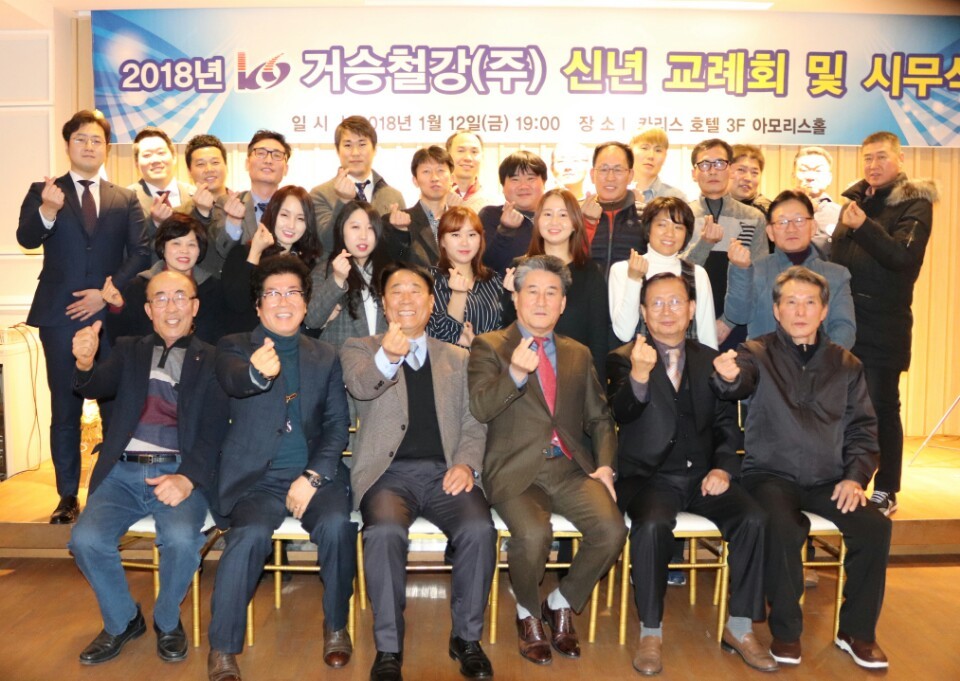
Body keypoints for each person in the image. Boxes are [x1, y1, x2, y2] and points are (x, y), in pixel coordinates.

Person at [712, 266, 892, 670]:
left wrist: (855, 477)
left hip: (829, 478)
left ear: (824, 310)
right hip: (770, 474)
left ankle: (856, 632)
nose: (800, 310)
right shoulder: (756, 353)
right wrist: (727, 377)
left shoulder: (846, 364)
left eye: (810, 302)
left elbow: (863, 429)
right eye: (790, 302)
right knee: (782, 525)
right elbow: (736, 383)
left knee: (875, 527)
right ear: (776, 310)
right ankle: (787, 632)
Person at [607, 273, 773, 675]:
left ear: (692, 309)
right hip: (650, 479)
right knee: (650, 525)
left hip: (702, 476)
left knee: (753, 518)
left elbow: (726, 426)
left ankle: (740, 627)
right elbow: (619, 413)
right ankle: (651, 632)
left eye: (676, 302)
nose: (667, 311)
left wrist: (723, 468)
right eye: (656, 303)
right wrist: (640, 375)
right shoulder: (622, 358)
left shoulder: (710, 359)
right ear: (643, 312)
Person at [340, 263, 497, 681]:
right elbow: (360, 387)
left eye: (416, 291)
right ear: (384, 303)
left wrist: (466, 463)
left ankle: (466, 639)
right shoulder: (361, 347)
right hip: (387, 476)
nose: (406, 298)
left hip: (446, 472)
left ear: (430, 304)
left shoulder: (457, 357)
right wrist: (389, 357)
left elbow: (474, 422)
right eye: (396, 291)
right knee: (384, 533)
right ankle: (389, 648)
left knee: (479, 529)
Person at [468, 255, 626, 666]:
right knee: (534, 535)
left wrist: (604, 466)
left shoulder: (578, 353)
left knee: (612, 529)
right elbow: (480, 408)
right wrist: (515, 375)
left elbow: (600, 417)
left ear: (563, 303)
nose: (541, 301)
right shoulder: (489, 346)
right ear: (516, 298)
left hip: (570, 468)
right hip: (516, 470)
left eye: (551, 293)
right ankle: (527, 612)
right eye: (532, 291)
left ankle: (560, 601)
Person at [207, 255, 356, 680]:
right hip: (258, 480)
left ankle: (336, 625)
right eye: (272, 293)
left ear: (306, 304)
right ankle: (223, 648)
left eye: (292, 292)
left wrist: (312, 477)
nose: (283, 301)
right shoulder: (234, 346)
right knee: (248, 536)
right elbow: (234, 379)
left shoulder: (325, 355)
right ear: (258, 306)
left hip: (314, 475)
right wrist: (257, 374)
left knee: (337, 526)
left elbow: (336, 426)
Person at [68, 270, 227, 665]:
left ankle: (167, 620)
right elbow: (97, 385)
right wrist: (85, 362)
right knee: (85, 539)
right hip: (121, 474)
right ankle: (122, 620)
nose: (171, 306)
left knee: (181, 540)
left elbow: (214, 431)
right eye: (161, 298)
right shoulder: (129, 349)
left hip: (178, 472)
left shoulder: (214, 359)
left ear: (195, 307)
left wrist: (188, 478)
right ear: (148, 309)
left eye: (180, 297)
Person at [16, 109, 149, 524]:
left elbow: (142, 251)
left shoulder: (124, 197)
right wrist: (48, 211)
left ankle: (110, 491)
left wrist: (106, 292)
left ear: (106, 148)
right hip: (59, 316)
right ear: (68, 145)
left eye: (97, 140)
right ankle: (67, 495)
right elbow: (26, 237)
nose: (89, 146)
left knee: (114, 406)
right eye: (81, 139)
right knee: (65, 406)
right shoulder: (44, 191)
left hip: (110, 317)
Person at [830, 131, 937, 516]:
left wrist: (864, 227)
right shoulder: (855, 201)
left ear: (900, 159)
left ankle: (888, 487)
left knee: (880, 406)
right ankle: (846, 480)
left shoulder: (915, 203)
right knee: (842, 406)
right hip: (843, 321)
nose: (873, 165)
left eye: (881, 157)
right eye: (867, 159)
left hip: (883, 324)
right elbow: (839, 259)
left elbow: (903, 258)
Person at [724, 189, 855, 348]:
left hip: (821, 361)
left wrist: (821, 359)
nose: (791, 229)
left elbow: (844, 328)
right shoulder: (755, 270)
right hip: (765, 361)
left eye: (799, 220)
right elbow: (738, 316)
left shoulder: (837, 275)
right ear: (770, 232)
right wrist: (740, 271)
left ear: (813, 226)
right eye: (782, 222)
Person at [502, 188, 609, 381]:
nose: (554, 222)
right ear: (537, 221)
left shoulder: (590, 272)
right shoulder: (519, 268)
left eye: (563, 215)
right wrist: (512, 298)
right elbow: (505, 332)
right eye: (547, 214)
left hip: (574, 377)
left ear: (575, 223)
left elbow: (599, 340)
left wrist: (598, 390)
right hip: (526, 377)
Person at [680, 138, 768, 349]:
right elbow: (676, 273)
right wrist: (704, 243)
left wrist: (728, 322)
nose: (712, 171)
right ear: (694, 173)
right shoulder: (681, 215)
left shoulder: (753, 217)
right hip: (687, 322)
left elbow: (760, 276)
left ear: (730, 169)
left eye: (720, 163)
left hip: (738, 326)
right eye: (704, 164)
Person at [609, 196, 717, 349]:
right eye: (662, 225)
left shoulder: (697, 274)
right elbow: (624, 333)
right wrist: (634, 280)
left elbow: (708, 337)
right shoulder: (622, 270)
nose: (670, 233)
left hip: (686, 362)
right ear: (648, 229)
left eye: (678, 227)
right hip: (638, 361)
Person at [101, 213, 226, 345]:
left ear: (199, 250)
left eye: (191, 245)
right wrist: (117, 308)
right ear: (162, 248)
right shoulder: (139, 287)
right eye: (176, 243)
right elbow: (121, 341)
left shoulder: (214, 289)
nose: (184, 250)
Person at [220, 185, 324, 332]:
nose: (291, 225)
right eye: (285, 215)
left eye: (300, 218)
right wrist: (255, 253)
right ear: (273, 214)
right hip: (247, 341)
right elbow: (237, 302)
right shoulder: (242, 253)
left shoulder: (309, 265)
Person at [201, 129, 291, 276]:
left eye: (277, 155)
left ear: (286, 169)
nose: (268, 160)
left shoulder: (295, 208)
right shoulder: (226, 203)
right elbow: (222, 250)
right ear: (247, 163)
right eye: (261, 153)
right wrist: (233, 222)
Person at [312, 115, 405, 252]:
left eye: (362, 144)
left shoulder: (394, 196)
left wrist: (402, 232)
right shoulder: (319, 194)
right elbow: (326, 244)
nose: (355, 153)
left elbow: (401, 252)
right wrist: (342, 202)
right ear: (337, 150)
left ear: (374, 149)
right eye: (348, 145)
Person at [306, 201, 389, 346]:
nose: (363, 235)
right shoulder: (325, 270)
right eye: (355, 227)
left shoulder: (387, 272)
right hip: (339, 357)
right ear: (341, 230)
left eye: (370, 228)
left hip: (384, 356)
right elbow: (311, 319)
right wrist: (337, 280)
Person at [428, 207, 503, 348]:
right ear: (442, 240)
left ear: (481, 239)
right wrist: (458, 295)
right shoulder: (429, 280)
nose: (464, 242)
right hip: (449, 360)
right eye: (455, 235)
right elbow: (439, 335)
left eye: (472, 235)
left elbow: (505, 332)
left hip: (489, 360)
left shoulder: (493, 280)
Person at [382, 145, 453, 268]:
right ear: (415, 180)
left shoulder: (464, 221)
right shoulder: (394, 222)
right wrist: (400, 234)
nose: (434, 178)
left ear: (451, 178)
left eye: (440, 170)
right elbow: (394, 261)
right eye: (426, 171)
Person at [478, 151, 547, 276]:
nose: (523, 186)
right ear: (503, 187)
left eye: (531, 178)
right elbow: (485, 265)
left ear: (544, 182)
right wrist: (505, 230)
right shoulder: (490, 216)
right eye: (515, 179)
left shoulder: (555, 219)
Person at [582, 141, 643, 278]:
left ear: (630, 175)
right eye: (603, 169)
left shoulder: (647, 216)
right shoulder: (574, 215)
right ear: (592, 175)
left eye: (618, 170)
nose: (610, 178)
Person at [128, 127, 196, 244]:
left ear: (174, 157)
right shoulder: (125, 200)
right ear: (136, 163)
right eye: (147, 155)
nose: (155, 160)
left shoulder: (195, 195)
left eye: (161, 153)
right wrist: (153, 223)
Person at [793, 146, 841, 257]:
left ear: (829, 178)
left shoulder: (841, 214)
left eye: (818, 170)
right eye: (804, 170)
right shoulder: (779, 211)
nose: (810, 176)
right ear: (793, 176)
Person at [629, 127, 686, 203]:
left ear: (665, 156)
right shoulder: (616, 192)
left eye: (658, 150)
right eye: (644, 148)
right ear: (630, 151)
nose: (651, 156)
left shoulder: (676, 198)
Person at [446, 129, 498, 210]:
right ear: (447, 156)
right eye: (461, 151)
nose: (468, 158)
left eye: (474, 152)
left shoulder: (494, 204)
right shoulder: (434, 199)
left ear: (482, 157)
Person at [728, 144, 771, 215]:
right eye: (741, 170)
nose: (748, 178)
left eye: (754, 172)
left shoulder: (769, 212)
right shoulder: (711, 206)